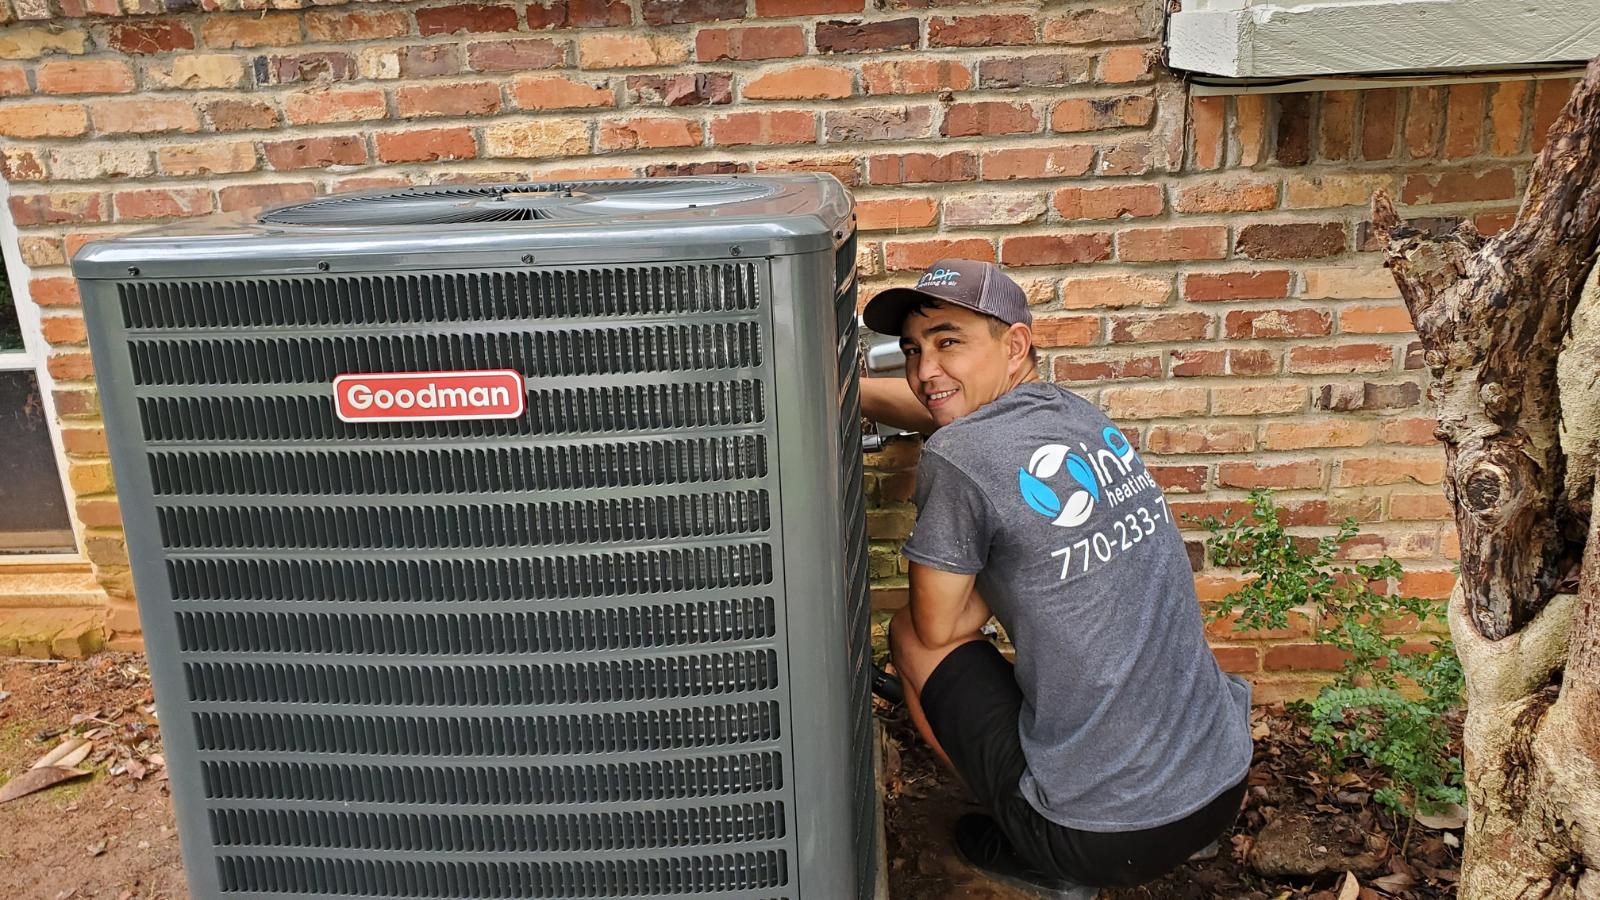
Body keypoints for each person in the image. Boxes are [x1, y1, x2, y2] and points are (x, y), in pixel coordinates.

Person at [859, 258, 1253, 898]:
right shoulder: (1075, 415)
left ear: (1014, 346)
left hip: (1098, 838)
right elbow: (946, 408)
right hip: (1221, 785)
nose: (926, 369)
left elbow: (939, 626)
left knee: (910, 635)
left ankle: (1042, 856)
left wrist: (1002, 561)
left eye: (948, 342)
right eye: (912, 350)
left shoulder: (959, 455)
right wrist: (850, 390)